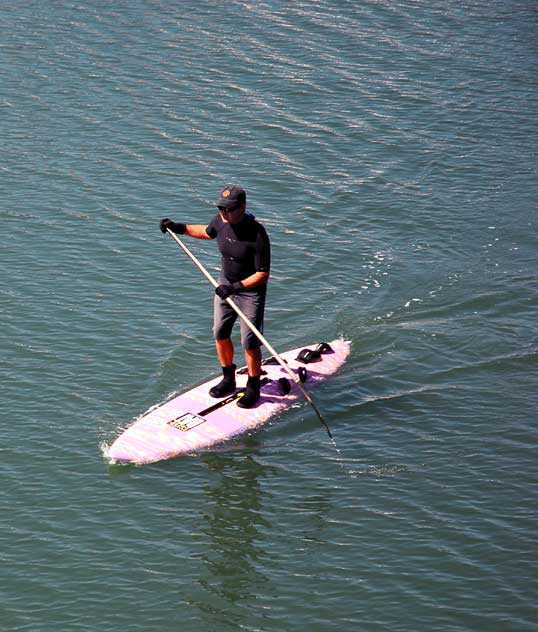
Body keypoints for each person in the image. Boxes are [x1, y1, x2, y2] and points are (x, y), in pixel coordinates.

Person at [159, 184, 270, 408]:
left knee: (249, 341)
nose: (224, 213)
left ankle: (253, 386)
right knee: (220, 332)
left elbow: (262, 275)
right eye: (221, 208)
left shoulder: (257, 234)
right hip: (225, 286)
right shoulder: (220, 221)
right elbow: (206, 232)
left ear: (243, 206)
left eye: (229, 209)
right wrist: (177, 227)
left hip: (248, 292)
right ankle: (228, 378)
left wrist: (235, 287)